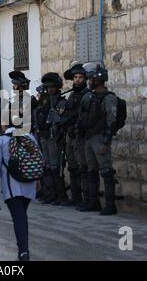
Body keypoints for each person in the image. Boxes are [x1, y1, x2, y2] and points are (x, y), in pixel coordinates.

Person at [0, 118, 37, 261]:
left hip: (12, 185)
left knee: (19, 218)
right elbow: (38, 159)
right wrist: (38, 179)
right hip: (29, 183)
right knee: (21, 216)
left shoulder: (1, 140)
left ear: (4, 123)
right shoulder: (30, 136)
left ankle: (23, 252)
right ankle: (23, 251)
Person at [77, 63, 119, 215]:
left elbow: (111, 122)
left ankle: (110, 205)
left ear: (99, 79)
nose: (89, 81)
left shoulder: (109, 98)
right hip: (88, 137)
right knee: (91, 170)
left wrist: (105, 142)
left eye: (91, 78)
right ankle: (93, 201)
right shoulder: (89, 96)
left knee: (106, 171)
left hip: (100, 138)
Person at [59, 62, 90, 207]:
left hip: (80, 136)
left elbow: (81, 116)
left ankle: (86, 199)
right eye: (75, 77)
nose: (77, 80)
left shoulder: (87, 95)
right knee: (72, 166)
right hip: (70, 135)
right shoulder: (72, 95)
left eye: (80, 77)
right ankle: (75, 196)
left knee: (82, 167)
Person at [38, 73, 68, 206]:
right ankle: (50, 193)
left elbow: (61, 120)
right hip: (45, 137)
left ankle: (60, 195)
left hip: (55, 138)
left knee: (56, 168)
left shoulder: (61, 102)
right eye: (48, 87)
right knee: (47, 167)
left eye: (53, 87)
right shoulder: (45, 102)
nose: (50, 89)